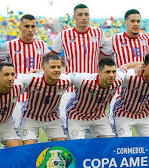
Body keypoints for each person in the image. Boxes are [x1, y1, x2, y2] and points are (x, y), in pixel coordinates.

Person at [47, 4, 106, 133]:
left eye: (86, 14)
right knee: (68, 127)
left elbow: (103, 55)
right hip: (71, 88)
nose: (84, 17)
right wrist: (59, 69)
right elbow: (52, 57)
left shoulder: (98, 33)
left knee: (93, 129)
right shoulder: (64, 35)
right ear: (74, 17)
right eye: (80, 15)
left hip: (93, 88)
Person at [0, 14, 50, 130]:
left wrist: (41, 71)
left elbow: (49, 65)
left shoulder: (42, 45)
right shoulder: (9, 45)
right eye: (26, 26)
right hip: (16, 96)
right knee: (15, 131)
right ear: (20, 27)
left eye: (33, 26)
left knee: (32, 133)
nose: (30, 30)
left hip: (37, 96)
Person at [66, 58, 138, 139]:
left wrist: (143, 65)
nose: (111, 75)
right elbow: (66, 77)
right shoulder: (84, 80)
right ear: (99, 72)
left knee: (109, 144)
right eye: (107, 72)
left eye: (114, 72)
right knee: (77, 147)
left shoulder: (118, 79)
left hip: (99, 116)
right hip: (77, 116)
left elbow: (125, 66)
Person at [18, 55, 69, 144]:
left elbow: (83, 78)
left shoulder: (66, 80)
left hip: (52, 116)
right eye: (53, 67)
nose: (57, 70)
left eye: (59, 67)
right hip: (31, 116)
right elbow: (10, 79)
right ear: (44, 68)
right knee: (28, 148)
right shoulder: (32, 78)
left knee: (62, 145)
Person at [112, 52, 149, 137]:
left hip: (143, 114)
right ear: (144, 66)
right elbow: (121, 68)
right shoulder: (130, 76)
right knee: (125, 144)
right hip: (123, 113)